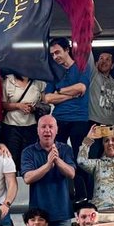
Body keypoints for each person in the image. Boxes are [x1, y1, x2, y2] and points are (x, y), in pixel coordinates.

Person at [42, 38, 92, 196]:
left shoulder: (82, 67)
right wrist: (72, 94)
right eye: (52, 54)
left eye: (57, 52)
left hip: (80, 119)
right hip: (59, 119)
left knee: (81, 159)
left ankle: (85, 197)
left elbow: (81, 87)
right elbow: (48, 98)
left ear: (67, 50)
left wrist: (59, 91)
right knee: (58, 157)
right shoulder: (54, 72)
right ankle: (63, 195)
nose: (55, 56)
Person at [20, 115, 76, 226]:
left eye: (51, 126)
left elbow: (71, 173)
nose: (47, 130)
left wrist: (57, 160)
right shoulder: (28, 152)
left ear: (57, 130)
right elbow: (27, 178)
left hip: (62, 213)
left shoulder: (65, 149)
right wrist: (48, 165)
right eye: (43, 127)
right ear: (37, 130)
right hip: (38, 216)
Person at [0, 71, 44, 165]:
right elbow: (2, 104)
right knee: (11, 159)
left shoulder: (39, 82)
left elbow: (45, 103)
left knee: (29, 158)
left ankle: (28, 178)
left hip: (31, 126)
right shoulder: (8, 81)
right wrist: (18, 106)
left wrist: (33, 108)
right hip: (11, 126)